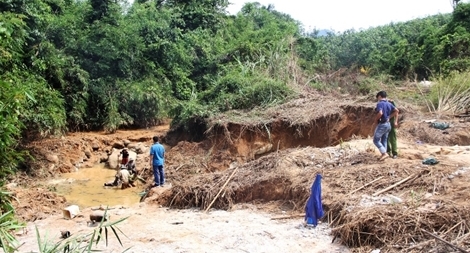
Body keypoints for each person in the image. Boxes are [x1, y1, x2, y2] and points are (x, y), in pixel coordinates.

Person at [373, 91, 399, 161]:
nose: (378, 99)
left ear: (380, 96)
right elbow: (396, 110)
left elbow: (380, 113)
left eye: (378, 97)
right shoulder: (389, 103)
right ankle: (384, 154)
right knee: (384, 139)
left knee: (375, 140)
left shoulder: (380, 103)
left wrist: (376, 119)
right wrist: (389, 117)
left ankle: (384, 153)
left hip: (382, 124)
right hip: (388, 124)